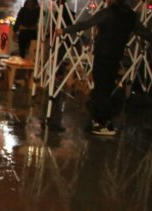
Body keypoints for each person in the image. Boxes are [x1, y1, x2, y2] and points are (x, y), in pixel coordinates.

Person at [56, 0, 152, 135]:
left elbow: (85, 24)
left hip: (102, 55)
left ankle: (104, 123)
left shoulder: (107, 13)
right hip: (116, 56)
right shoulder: (131, 16)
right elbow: (145, 33)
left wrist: (64, 30)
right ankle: (101, 120)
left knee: (101, 88)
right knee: (107, 87)